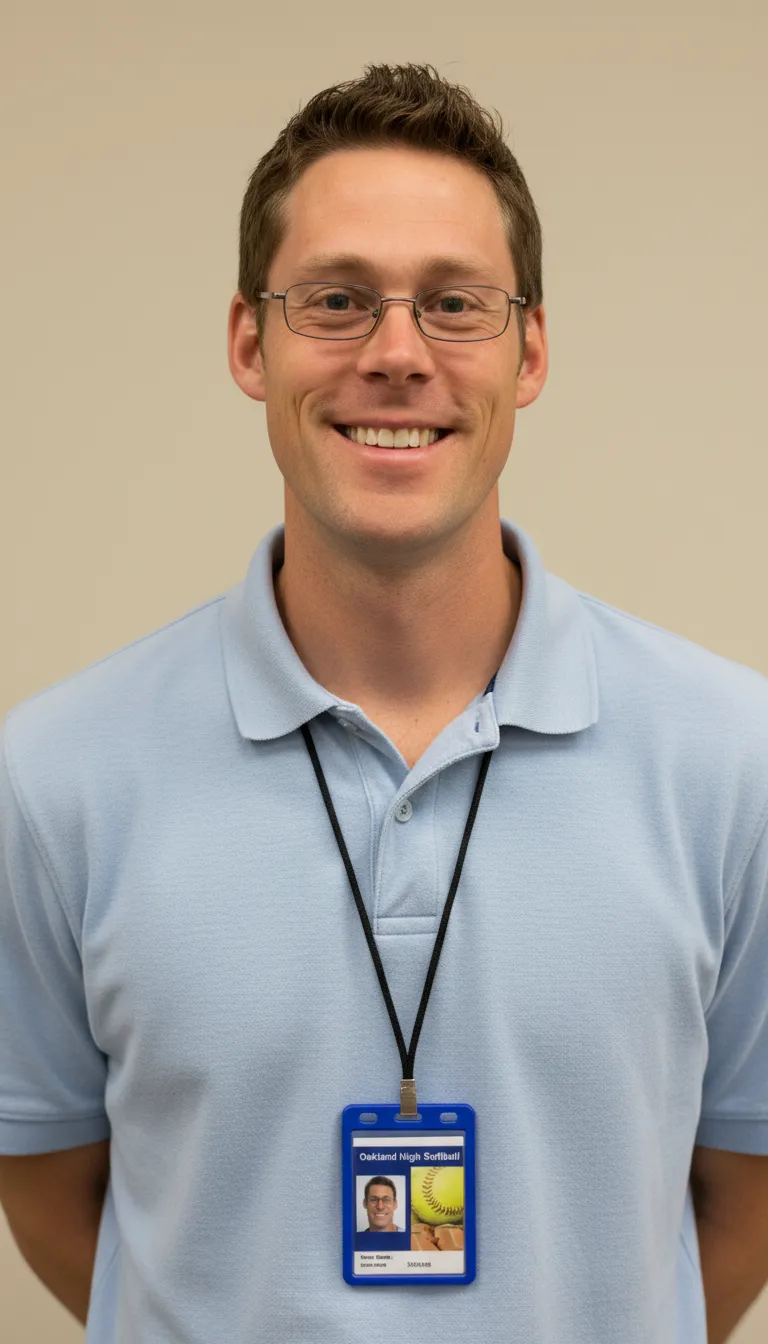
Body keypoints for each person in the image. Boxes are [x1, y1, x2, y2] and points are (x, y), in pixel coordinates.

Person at [0, 60, 767, 1344]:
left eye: (456, 304)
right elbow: (48, 1183)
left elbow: (743, 1195)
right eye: (338, 301)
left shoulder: (736, 761)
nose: (398, 355)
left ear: (530, 352)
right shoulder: (54, 774)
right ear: (253, 343)